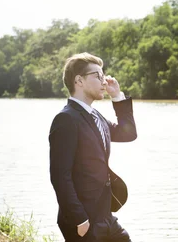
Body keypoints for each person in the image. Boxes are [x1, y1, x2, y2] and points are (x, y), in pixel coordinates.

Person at [49, 52, 137, 241]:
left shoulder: (95, 116)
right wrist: (79, 219)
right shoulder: (66, 119)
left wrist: (117, 97)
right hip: (83, 220)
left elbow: (128, 133)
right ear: (79, 81)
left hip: (105, 216)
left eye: (103, 75)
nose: (104, 81)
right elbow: (59, 176)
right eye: (97, 76)